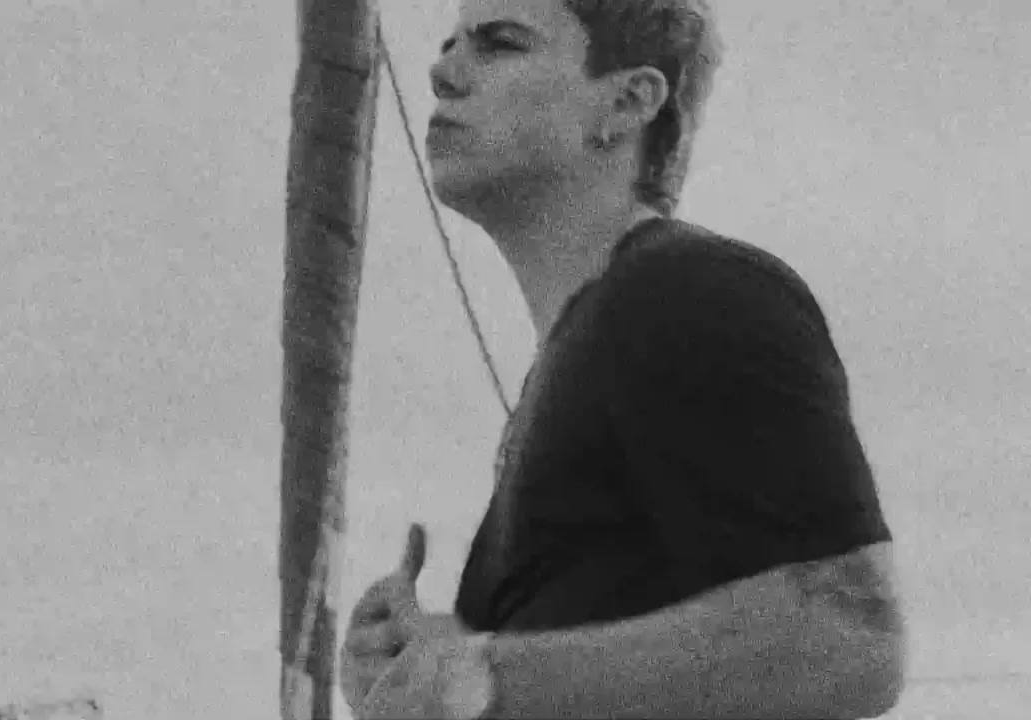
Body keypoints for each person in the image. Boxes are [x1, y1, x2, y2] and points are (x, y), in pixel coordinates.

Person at [339, 0, 907, 718]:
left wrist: (483, 677)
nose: (443, 72)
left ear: (629, 101)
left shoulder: (693, 291)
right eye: (450, 44)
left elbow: (849, 634)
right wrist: (422, 666)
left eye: (500, 44)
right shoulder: (581, 354)